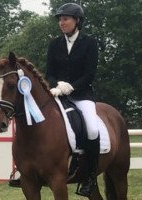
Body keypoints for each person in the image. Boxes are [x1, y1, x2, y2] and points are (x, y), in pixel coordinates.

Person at [45, 3, 100, 198]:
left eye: (66, 19)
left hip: (81, 95)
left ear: (77, 21)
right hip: (58, 95)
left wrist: (72, 86)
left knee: (92, 129)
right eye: (60, 19)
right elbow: (49, 71)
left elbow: (89, 74)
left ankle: (90, 177)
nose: (62, 22)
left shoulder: (89, 43)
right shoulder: (54, 44)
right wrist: (56, 84)